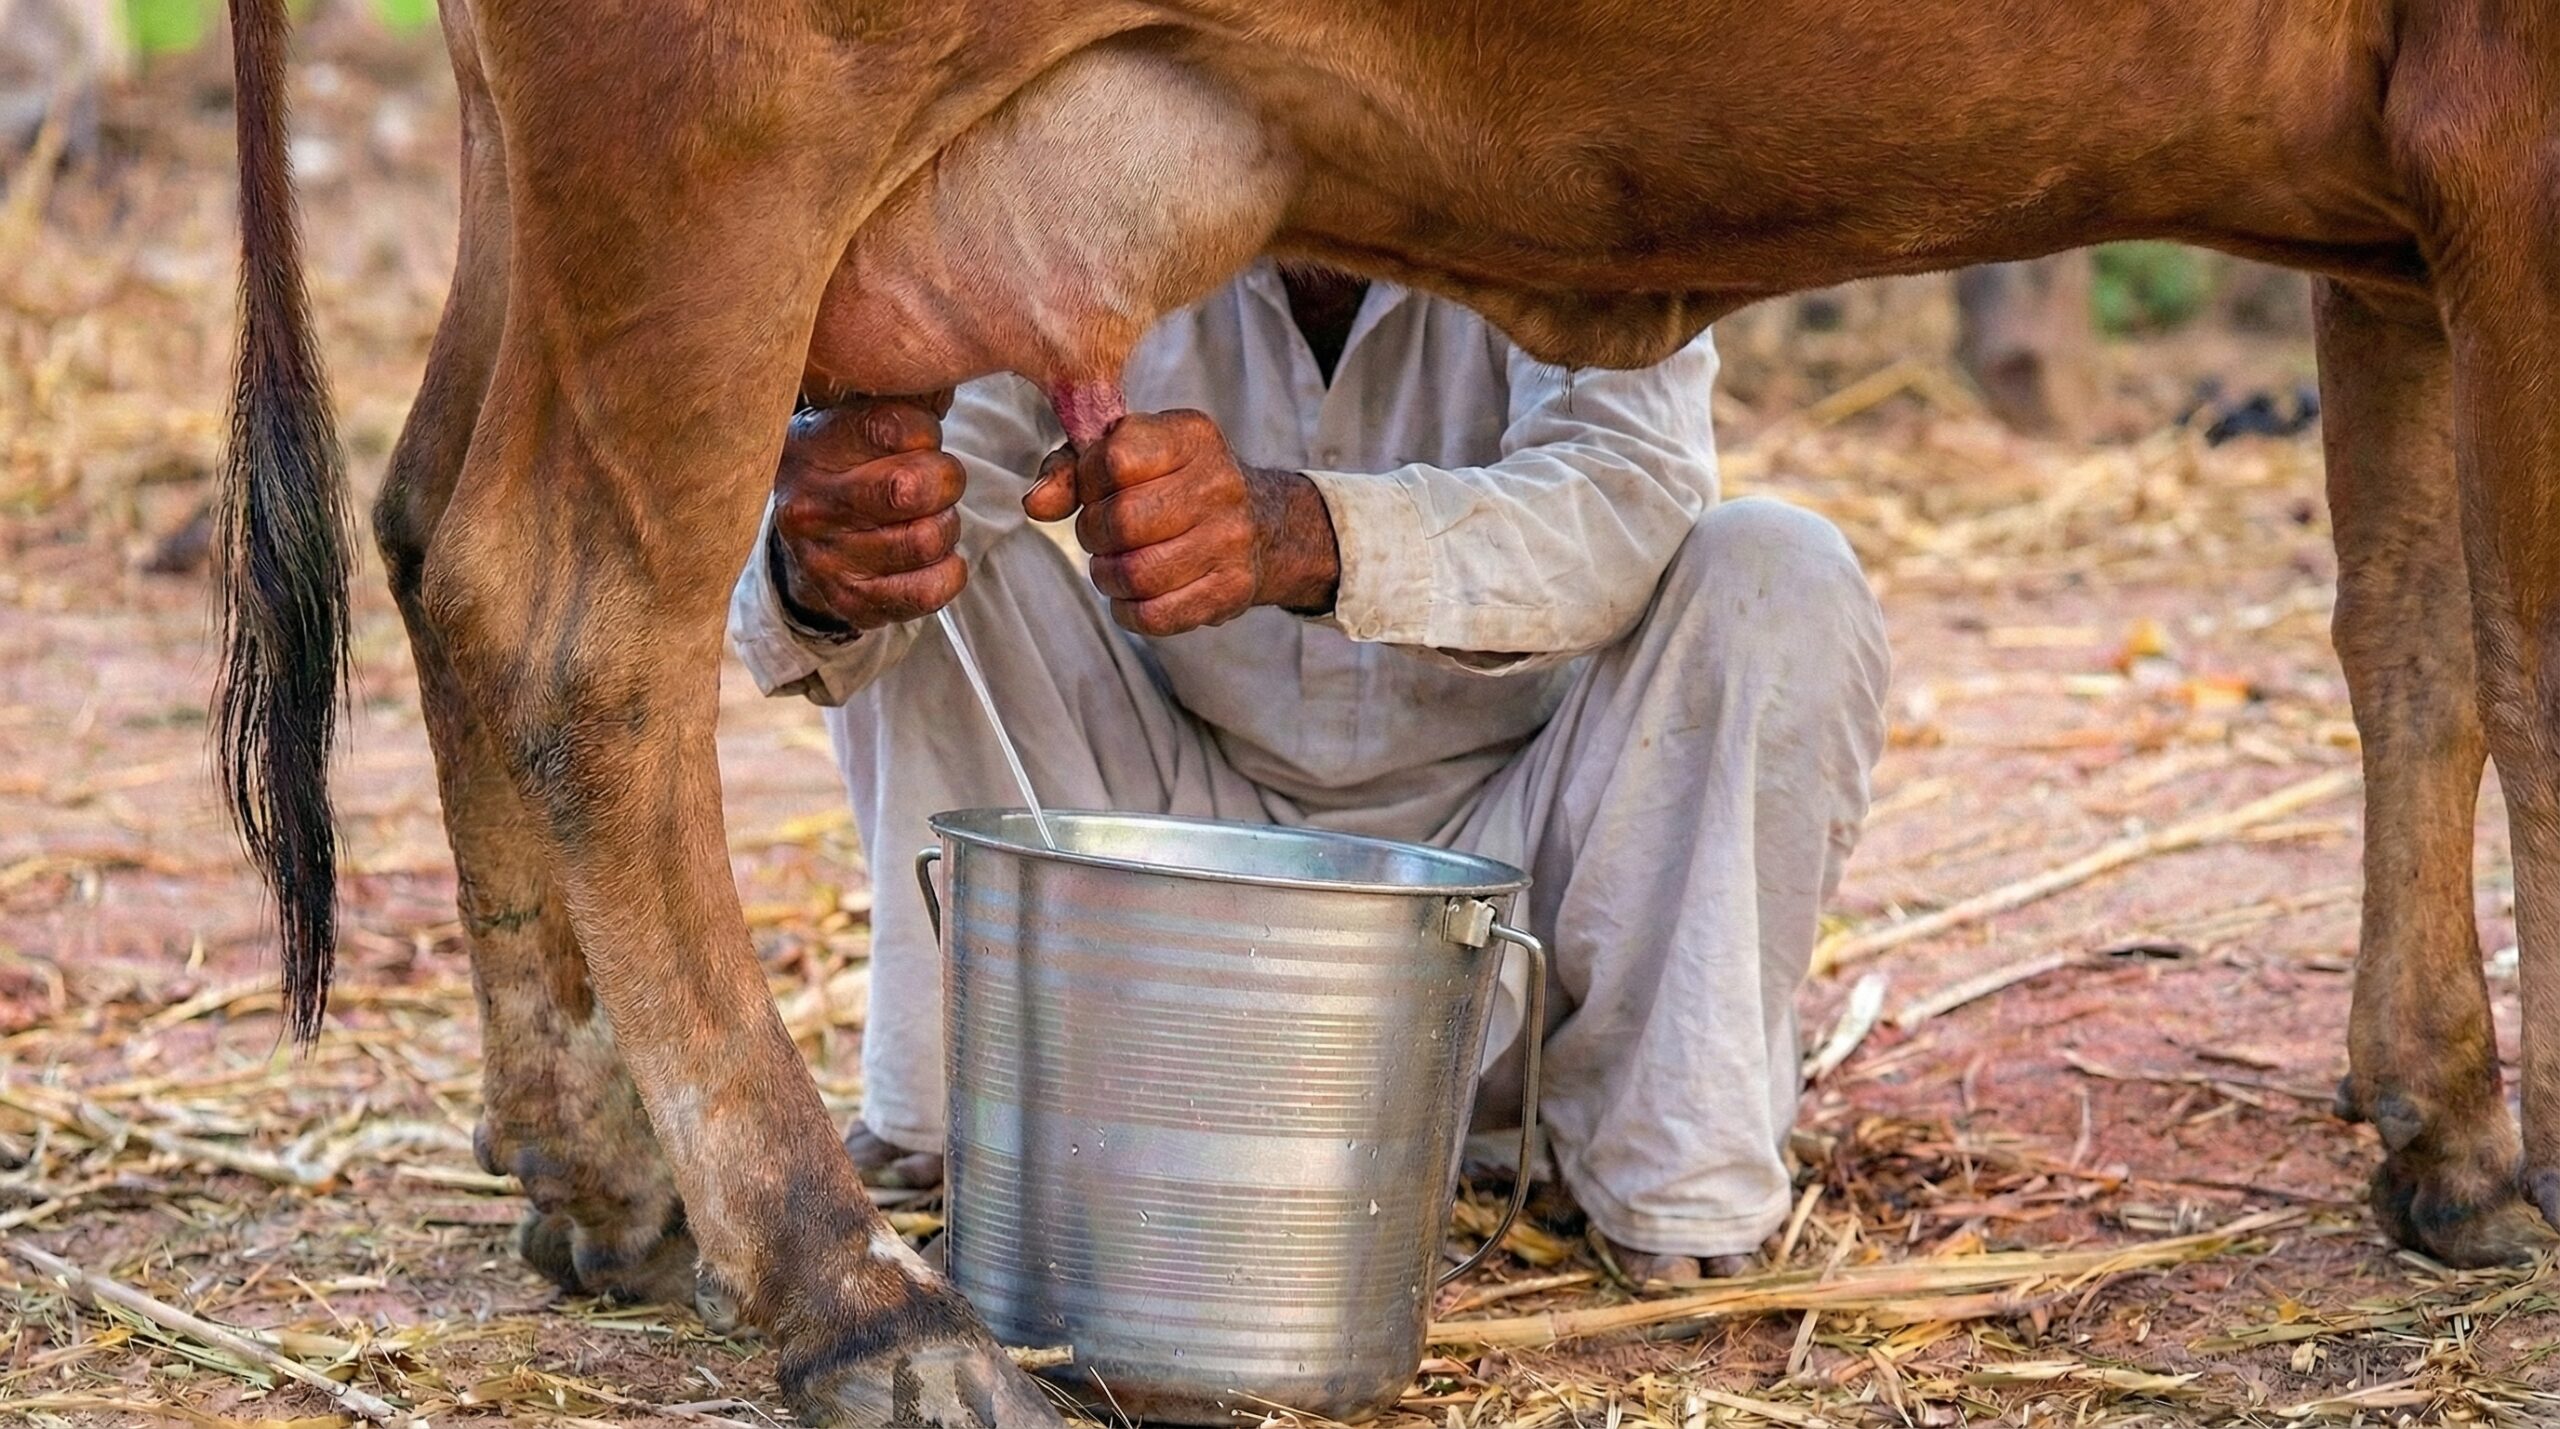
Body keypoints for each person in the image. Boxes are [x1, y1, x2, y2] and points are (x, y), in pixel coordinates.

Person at [730, 261, 1890, 1280]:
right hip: (1169, 883)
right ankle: (983, 1124)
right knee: (918, 551)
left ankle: (1664, 1171)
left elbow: (1626, 496)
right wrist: (825, 549)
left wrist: (1309, 533)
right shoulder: (1087, 176)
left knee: (1776, 569)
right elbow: (887, 510)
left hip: (1525, 881)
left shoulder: (1551, 164)